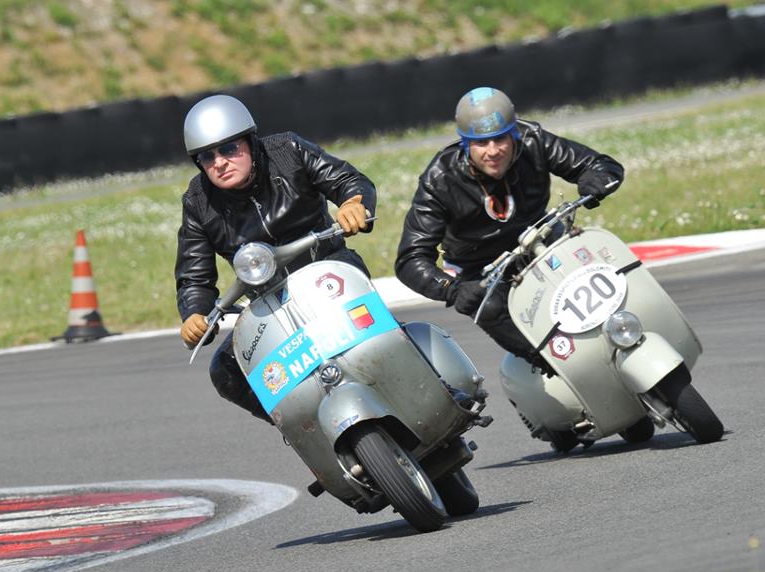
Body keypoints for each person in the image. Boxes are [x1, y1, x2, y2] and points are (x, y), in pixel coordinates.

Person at [176, 94, 376, 423]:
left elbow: (347, 180)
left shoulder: (289, 151)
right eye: (207, 157)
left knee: (376, 330)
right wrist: (194, 314)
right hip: (269, 302)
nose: (220, 162)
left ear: (250, 143)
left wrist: (354, 203)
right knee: (227, 371)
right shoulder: (198, 201)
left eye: (228, 149)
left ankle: (430, 384)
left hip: (327, 269)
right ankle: (309, 435)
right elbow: (194, 275)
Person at [395, 86, 624, 373]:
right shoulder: (440, 178)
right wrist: (451, 289)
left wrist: (596, 180)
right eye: (481, 143)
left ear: (513, 133)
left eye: (500, 138)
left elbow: (597, 163)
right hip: (483, 269)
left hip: (541, 240)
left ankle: (624, 327)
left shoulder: (534, 140)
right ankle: (552, 367)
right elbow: (410, 258)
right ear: (466, 143)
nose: (493, 151)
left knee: (595, 258)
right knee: (486, 309)